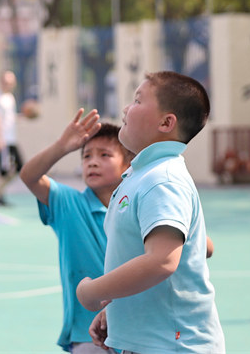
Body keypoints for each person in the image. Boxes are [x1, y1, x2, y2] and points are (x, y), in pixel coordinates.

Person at [76, 71, 224, 353]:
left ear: (166, 123)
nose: (125, 109)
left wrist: (93, 292)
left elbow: (162, 261)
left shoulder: (163, 180)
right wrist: (117, 310)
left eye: (137, 101)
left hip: (174, 345)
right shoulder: (143, 175)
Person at [20, 109, 133, 354]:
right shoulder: (68, 203)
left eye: (104, 154)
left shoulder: (136, 206)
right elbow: (29, 175)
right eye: (86, 156)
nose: (92, 161)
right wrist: (62, 146)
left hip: (136, 329)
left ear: (127, 164)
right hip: (88, 336)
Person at [0, 70, 24, 206]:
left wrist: (24, 116)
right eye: (6, 81)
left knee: (20, 166)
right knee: (4, 170)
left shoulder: (10, 98)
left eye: (11, 82)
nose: (9, 84)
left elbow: (10, 117)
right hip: (2, 141)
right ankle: (0, 195)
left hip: (11, 139)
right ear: (1, 82)